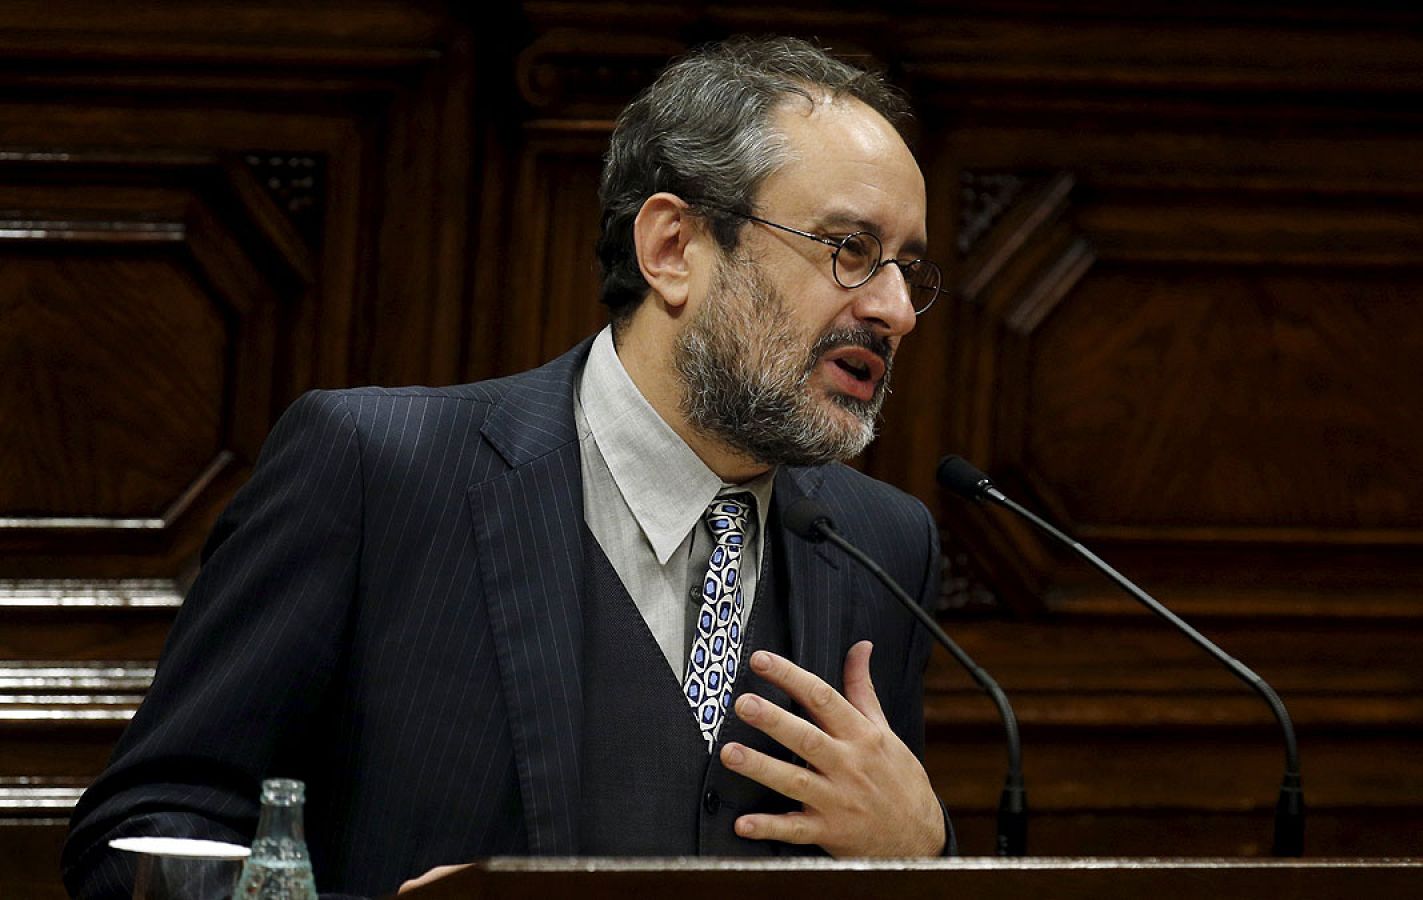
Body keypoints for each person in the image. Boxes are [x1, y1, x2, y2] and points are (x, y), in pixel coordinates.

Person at [63, 35, 949, 899]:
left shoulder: (881, 542)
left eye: (908, 269)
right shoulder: (378, 472)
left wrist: (922, 853)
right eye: (850, 249)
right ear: (673, 248)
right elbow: (147, 829)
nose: (896, 310)